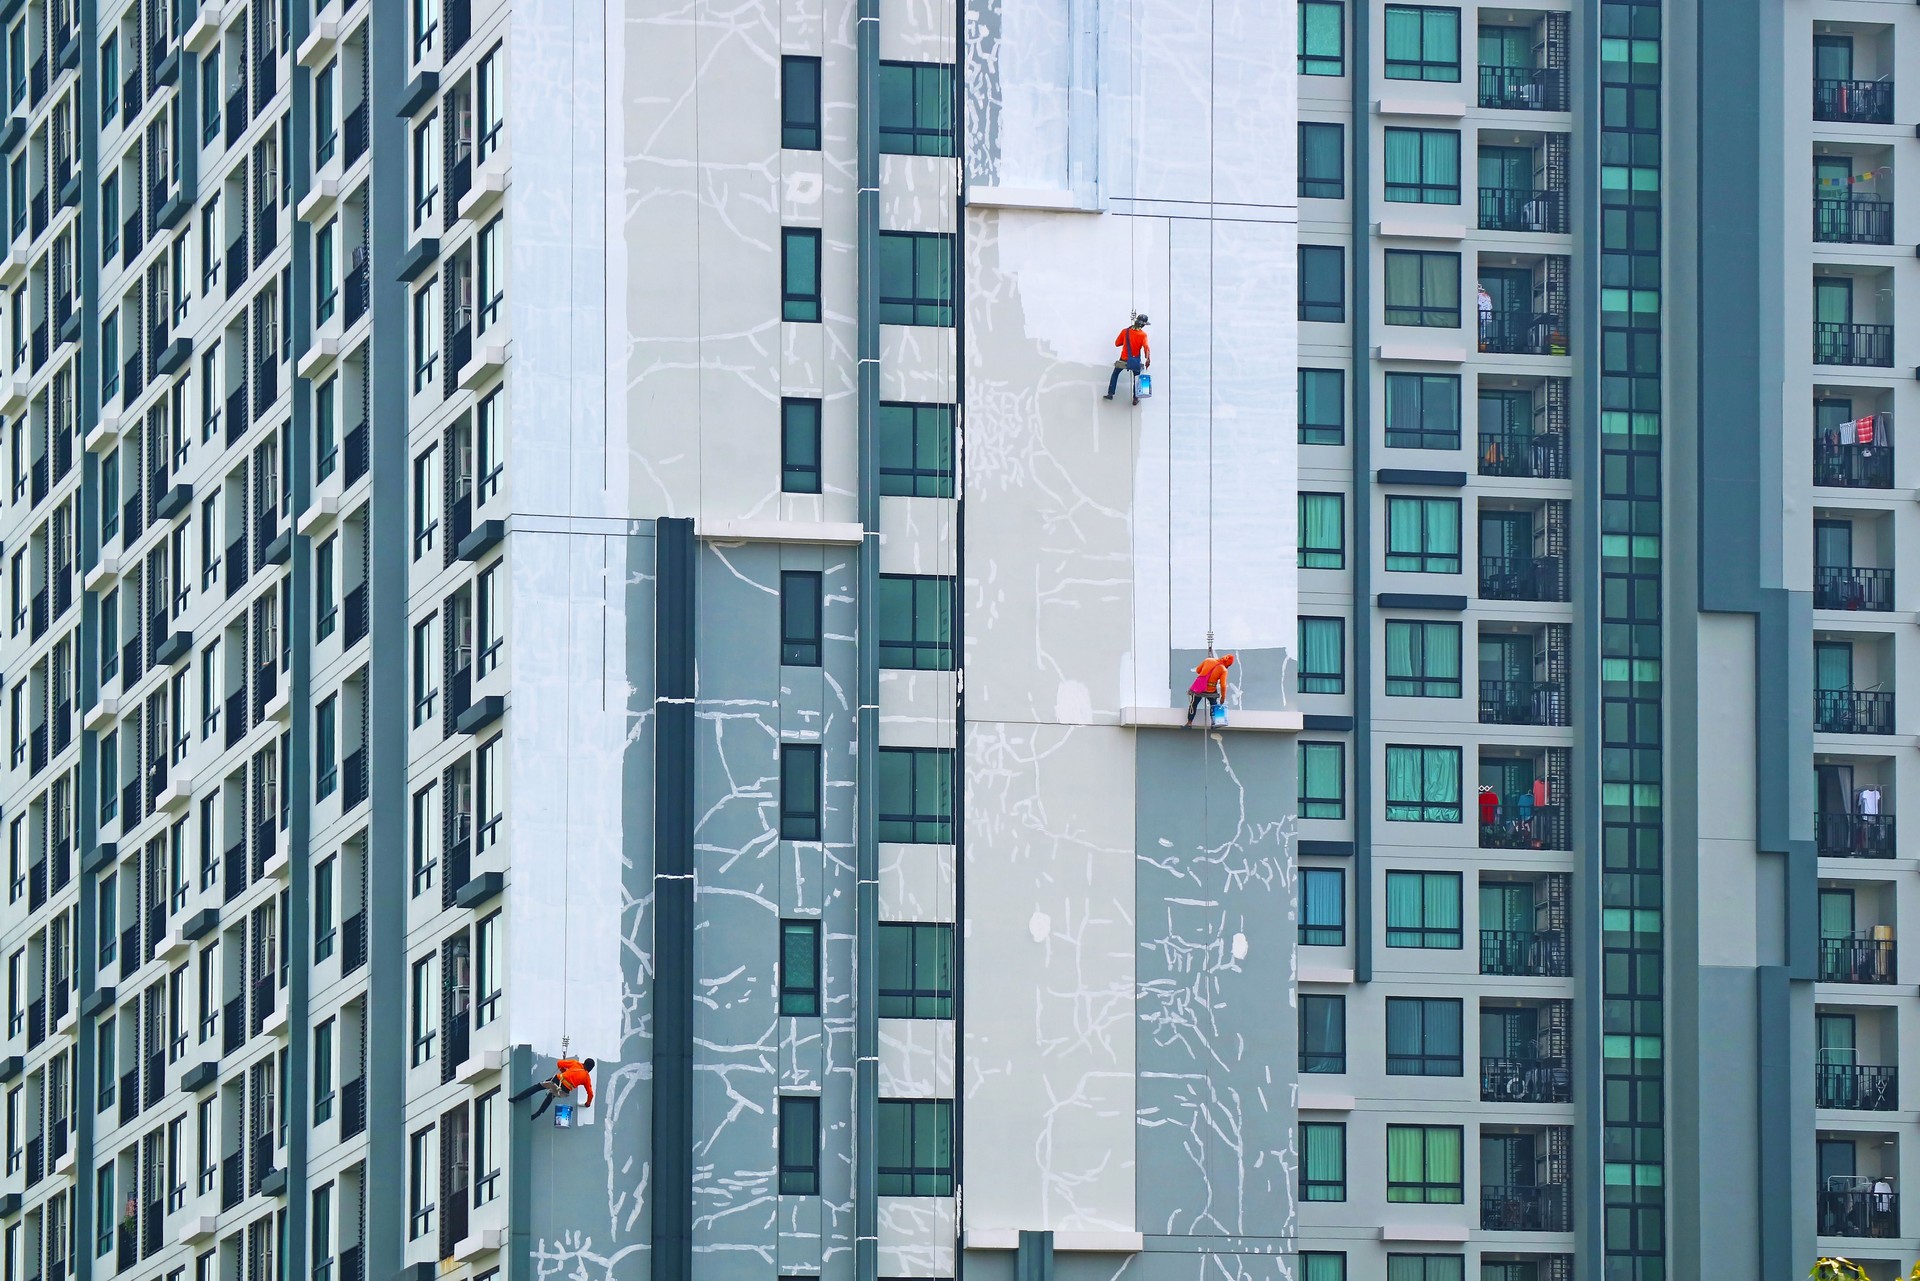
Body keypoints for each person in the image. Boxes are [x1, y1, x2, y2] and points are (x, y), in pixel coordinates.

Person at [509, 1056, 596, 1118]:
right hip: (563, 1091)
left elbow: (559, 1063)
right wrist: (587, 1104)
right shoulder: (586, 1078)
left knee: (537, 1087)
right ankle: (538, 1113)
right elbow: (590, 1094)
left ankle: (516, 1098)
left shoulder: (575, 1064)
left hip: (557, 1081)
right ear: (590, 1069)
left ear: (584, 1063)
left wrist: (563, 1070)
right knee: (550, 1096)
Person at [1103, 314, 1151, 404]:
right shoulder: (1143, 335)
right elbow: (1146, 348)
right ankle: (1135, 398)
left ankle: (1110, 394)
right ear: (1143, 325)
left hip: (1123, 359)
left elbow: (1117, 343)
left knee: (1115, 374)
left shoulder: (1125, 331)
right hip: (1135, 361)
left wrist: (1126, 341)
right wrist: (1148, 359)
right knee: (1137, 378)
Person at [1184, 653, 1234, 726]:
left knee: (1194, 704)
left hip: (1199, 688)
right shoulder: (1223, 670)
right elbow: (1223, 685)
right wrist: (1223, 697)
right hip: (1211, 690)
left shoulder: (1208, 660)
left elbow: (1198, 670)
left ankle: (1189, 722)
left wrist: (1206, 671)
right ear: (1228, 664)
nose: (1228, 667)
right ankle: (1215, 723)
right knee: (1214, 705)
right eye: (1229, 665)